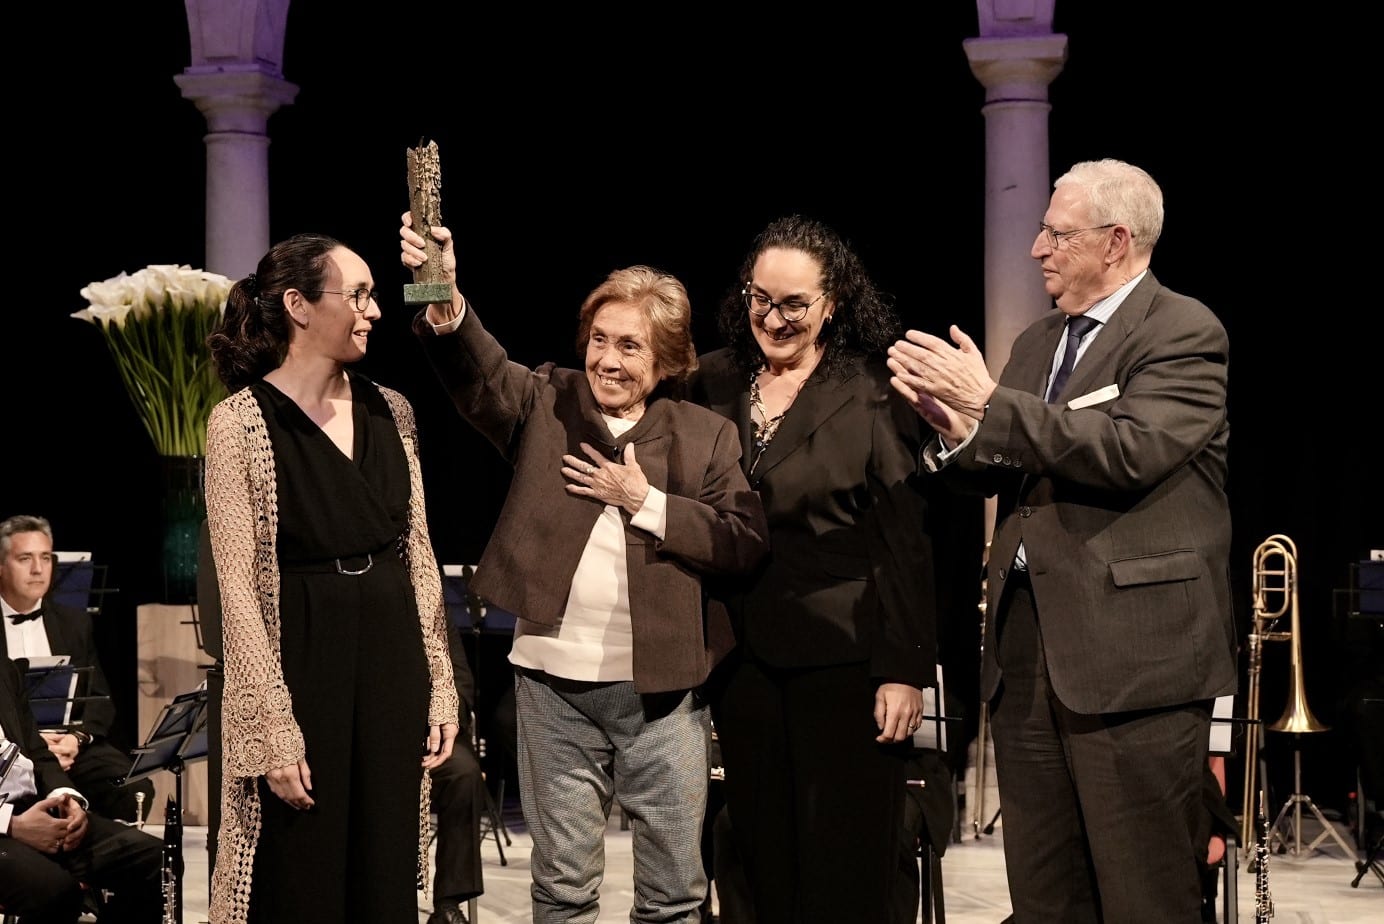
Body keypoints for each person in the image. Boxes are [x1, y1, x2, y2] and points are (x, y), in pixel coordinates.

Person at [887, 158, 1237, 923]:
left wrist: (990, 404)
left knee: (1144, 895)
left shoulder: (1182, 331)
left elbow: (1130, 450)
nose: (1037, 248)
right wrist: (957, 434)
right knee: (1044, 895)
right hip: (1027, 653)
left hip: (1135, 660)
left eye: (1056, 233)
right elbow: (1013, 460)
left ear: (1116, 242)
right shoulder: (1039, 341)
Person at [400, 213, 770, 924]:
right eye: (599, 339)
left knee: (674, 894)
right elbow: (478, 370)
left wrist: (645, 502)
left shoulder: (704, 436)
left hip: (664, 694)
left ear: (667, 360)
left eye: (629, 346)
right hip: (552, 688)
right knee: (563, 890)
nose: (607, 360)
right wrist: (437, 287)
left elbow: (742, 541)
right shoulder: (549, 400)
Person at [687, 214, 941, 924]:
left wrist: (904, 669)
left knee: (845, 866)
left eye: (794, 304)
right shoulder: (709, 380)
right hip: (739, 660)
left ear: (833, 303)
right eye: (760, 299)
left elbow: (904, 538)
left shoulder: (874, 390)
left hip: (846, 663)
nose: (774, 318)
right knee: (758, 863)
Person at [204, 233, 459, 924]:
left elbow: (419, 554)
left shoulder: (392, 410)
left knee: (384, 866)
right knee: (301, 868)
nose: (374, 311)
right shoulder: (239, 424)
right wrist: (270, 727)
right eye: (360, 295)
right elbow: (238, 590)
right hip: (303, 660)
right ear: (299, 306)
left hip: (391, 659)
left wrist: (440, 682)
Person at [0, 514, 156, 825]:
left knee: (134, 788)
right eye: (25, 558)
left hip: (68, 744)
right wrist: (36, 747)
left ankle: (105, 852)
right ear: (1, 566)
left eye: (46, 557)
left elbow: (99, 700)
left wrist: (75, 740)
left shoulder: (74, 623)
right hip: (11, 750)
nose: (38, 569)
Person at [0, 655, 164, 921]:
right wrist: (12, 825)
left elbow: (37, 752)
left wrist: (66, 797)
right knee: (55, 891)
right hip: (5, 824)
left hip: (34, 809)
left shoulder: (4, 668)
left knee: (154, 859)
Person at [426, 619, 485, 924]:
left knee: (464, 774)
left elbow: (461, 680)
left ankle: (448, 904)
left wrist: (442, 719)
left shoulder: (435, 608)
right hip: (385, 737)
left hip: (437, 735)